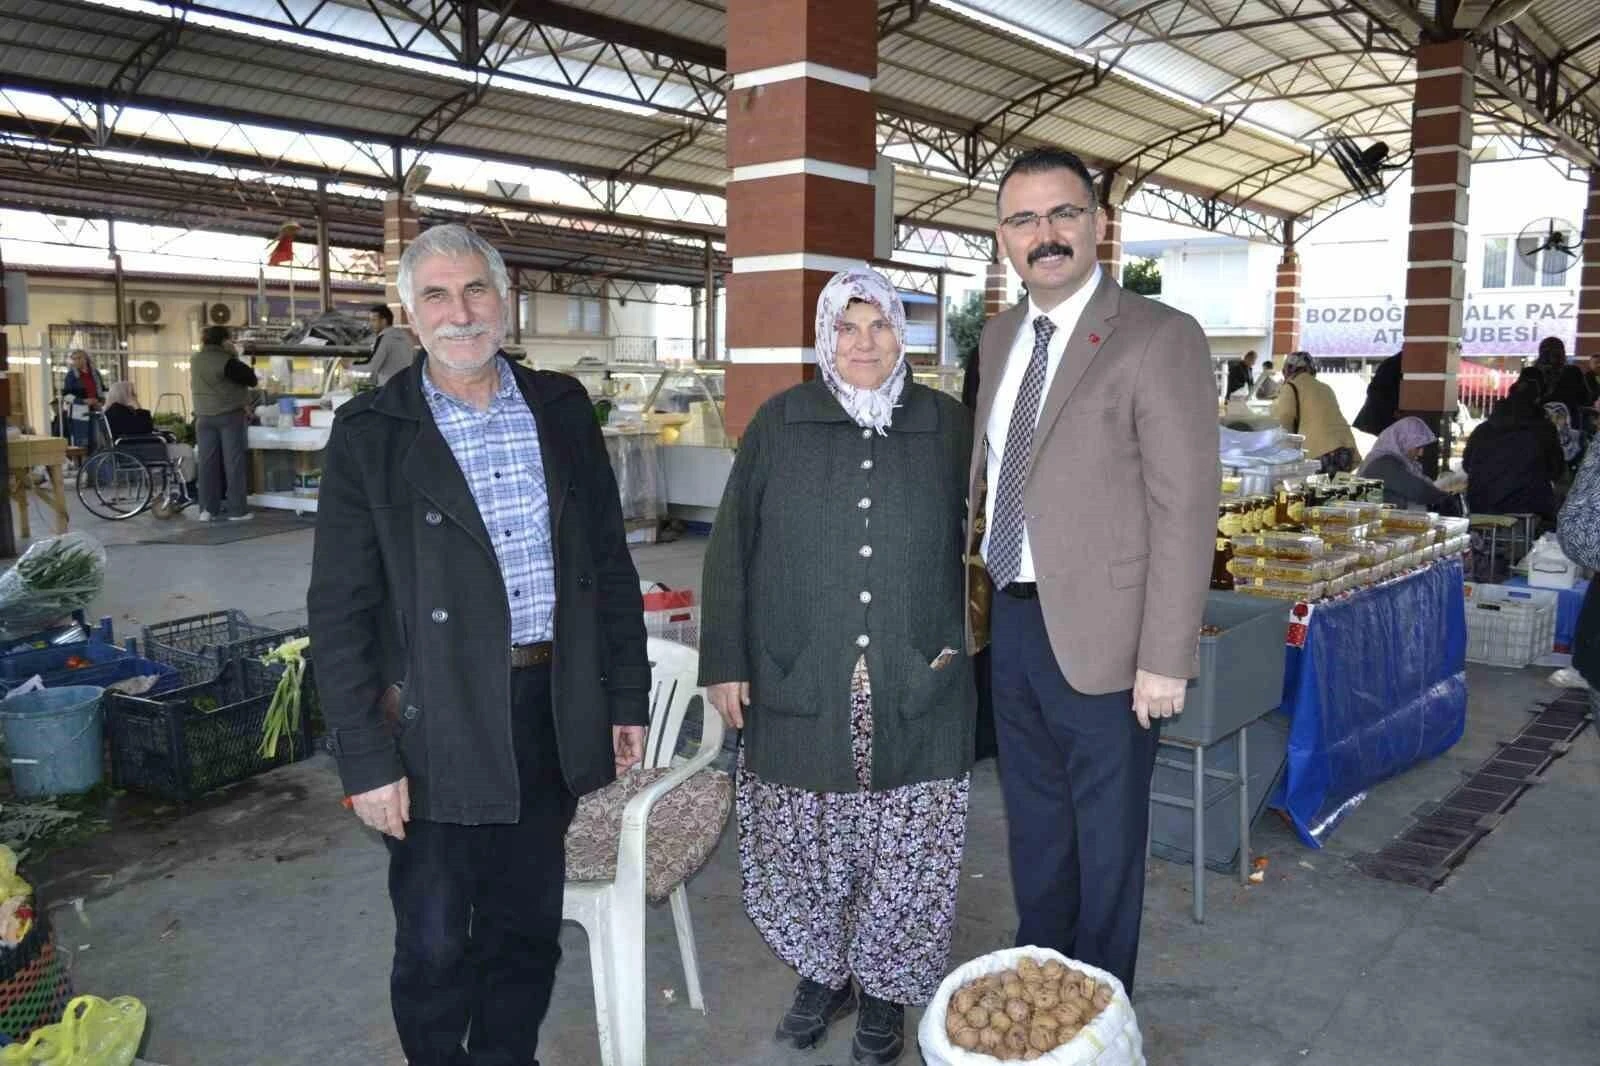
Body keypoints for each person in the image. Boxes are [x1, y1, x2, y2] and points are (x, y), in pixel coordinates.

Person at [306, 224, 650, 1066]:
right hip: (430, 720)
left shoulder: (561, 408)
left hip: (546, 707)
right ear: (410, 314)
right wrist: (366, 758)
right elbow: (340, 609)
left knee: (525, 932)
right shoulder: (371, 432)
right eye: (436, 295)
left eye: (476, 291)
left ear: (503, 301)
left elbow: (607, 565)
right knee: (432, 944)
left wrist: (623, 697)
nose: (460, 314)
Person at [699, 268, 975, 1065]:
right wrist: (726, 660)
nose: (863, 343)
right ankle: (827, 973)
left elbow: (995, 538)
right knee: (801, 840)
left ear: (902, 335)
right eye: (847, 328)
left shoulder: (948, 426)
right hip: (798, 671)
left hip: (917, 669)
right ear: (825, 336)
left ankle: (885, 988)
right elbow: (729, 551)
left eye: (879, 326)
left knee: (906, 843)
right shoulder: (779, 423)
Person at [965, 147, 1218, 994]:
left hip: (1112, 645)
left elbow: (1185, 506)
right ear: (1002, 238)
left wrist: (1164, 656)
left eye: (1063, 214)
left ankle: (1101, 1012)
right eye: (1023, 219)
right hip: (1014, 619)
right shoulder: (998, 337)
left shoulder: (1159, 336)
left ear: (1099, 223)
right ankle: (1043, 987)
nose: (1045, 235)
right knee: (1035, 825)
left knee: (1106, 843)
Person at [1463, 379, 1564, 524]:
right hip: (1529, 506)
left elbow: (1467, 465)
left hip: (1480, 504)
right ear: (1536, 400)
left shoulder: (1483, 429)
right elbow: (1556, 470)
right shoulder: (1544, 429)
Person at [189, 325, 257, 522]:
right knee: (233, 463)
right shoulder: (227, 361)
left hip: (202, 417)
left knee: (206, 463)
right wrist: (233, 354)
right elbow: (251, 379)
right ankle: (238, 510)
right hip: (228, 415)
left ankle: (207, 510)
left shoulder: (195, 359)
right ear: (224, 340)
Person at [1272, 351, 1360, 473]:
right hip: (1346, 450)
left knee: (1313, 490)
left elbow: (1283, 420)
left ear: (1288, 369)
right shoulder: (1325, 387)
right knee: (1337, 490)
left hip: (1321, 452)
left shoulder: (1291, 387)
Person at [1356, 416, 1461, 513]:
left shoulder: (1392, 459)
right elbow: (1419, 491)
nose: (1421, 453)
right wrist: (1446, 498)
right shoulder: (1384, 463)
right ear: (1403, 441)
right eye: (1418, 447)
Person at [104, 381, 198, 487]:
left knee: (182, 450)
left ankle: (183, 484)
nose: (136, 395)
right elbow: (145, 428)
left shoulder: (115, 411)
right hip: (140, 451)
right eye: (133, 393)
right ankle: (188, 487)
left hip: (136, 448)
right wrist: (137, 406)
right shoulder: (118, 411)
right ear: (124, 394)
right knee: (186, 449)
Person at [61, 349, 106, 449]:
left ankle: (95, 463)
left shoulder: (95, 374)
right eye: (74, 359)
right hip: (79, 414)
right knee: (82, 444)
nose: (76, 361)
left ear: (86, 359)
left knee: (97, 441)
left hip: (96, 411)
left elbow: (102, 390)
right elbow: (67, 396)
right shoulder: (71, 376)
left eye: (79, 358)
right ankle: (82, 464)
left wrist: (101, 401)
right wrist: (83, 401)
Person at [361, 304, 415, 386]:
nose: (371, 324)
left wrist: (349, 365)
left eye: (374, 320)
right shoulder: (405, 336)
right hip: (405, 386)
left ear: (384, 321)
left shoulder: (384, 338)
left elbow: (372, 366)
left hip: (387, 387)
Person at [1353, 350, 1402, 436]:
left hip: (1376, 420)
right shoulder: (1397, 363)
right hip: (1380, 419)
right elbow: (1376, 391)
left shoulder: (1393, 362)